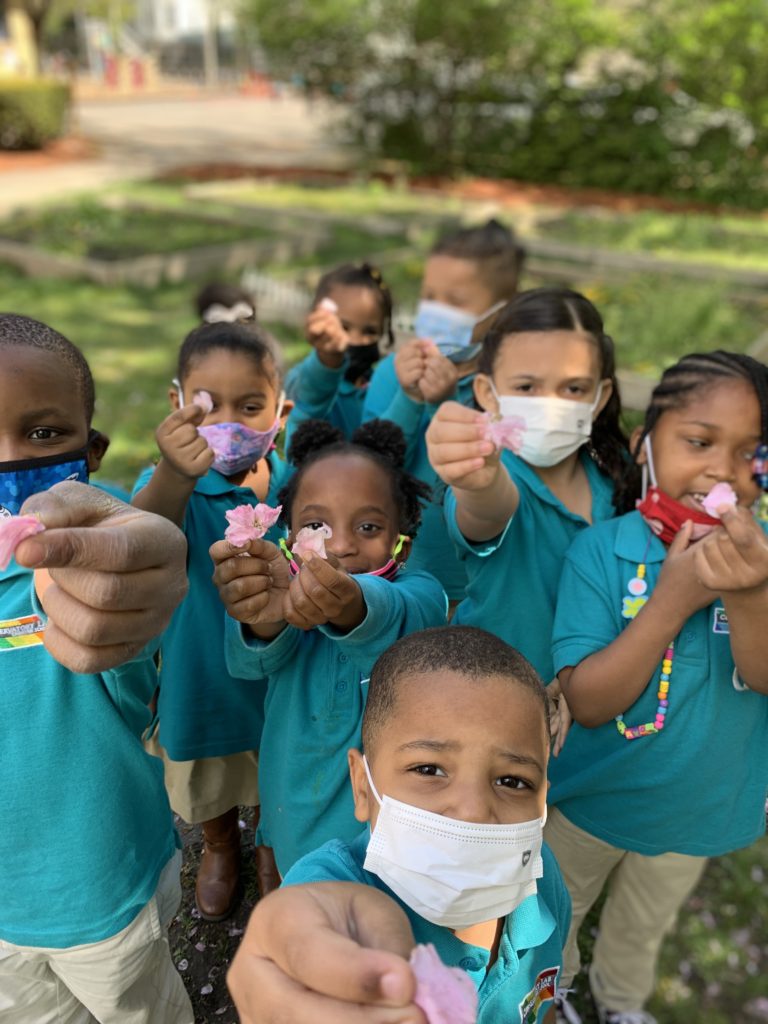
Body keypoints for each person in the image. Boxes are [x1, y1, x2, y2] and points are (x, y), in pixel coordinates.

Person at [545, 351, 768, 1024]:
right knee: (555, 914)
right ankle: (547, 993)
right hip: (591, 806)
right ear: (646, 443)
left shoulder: (762, 556)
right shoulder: (599, 552)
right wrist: (672, 600)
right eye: (698, 442)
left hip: (698, 810)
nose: (722, 472)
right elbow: (586, 700)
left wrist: (752, 592)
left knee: (645, 923)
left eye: (751, 456)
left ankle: (621, 1002)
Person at [227, 626, 570, 1024]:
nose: (474, 810)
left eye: (512, 781)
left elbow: (543, 999)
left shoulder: (544, 882)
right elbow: (299, 925)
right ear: (362, 787)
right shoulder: (336, 889)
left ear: (542, 799)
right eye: (429, 769)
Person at [0, 312, 192, 1023]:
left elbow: (135, 589)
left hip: (107, 899)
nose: (10, 458)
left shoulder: (84, 570)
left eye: (43, 434)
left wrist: (146, 573)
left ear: (93, 451)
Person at [211, 419, 448, 877]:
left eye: (368, 526)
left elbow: (401, 616)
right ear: (288, 537)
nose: (339, 544)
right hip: (291, 799)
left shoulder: (423, 591)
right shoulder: (279, 589)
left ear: (404, 539)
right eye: (316, 525)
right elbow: (246, 662)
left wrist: (351, 604)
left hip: (384, 829)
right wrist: (261, 613)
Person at [132, 321, 293, 916]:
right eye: (207, 405)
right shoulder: (166, 485)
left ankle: (271, 848)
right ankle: (222, 845)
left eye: (250, 406)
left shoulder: (295, 489)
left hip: (279, 683)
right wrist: (176, 472)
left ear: (281, 410)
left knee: (279, 768)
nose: (228, 422)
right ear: (177, 404)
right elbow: (148, 533)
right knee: (209, 785)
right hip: (200, 683)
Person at [426, 287, 627, 685]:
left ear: (599, 397)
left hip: (601, 714)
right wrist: (476, 483)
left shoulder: (616, 478)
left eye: (573, 389)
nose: (550, 403)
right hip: (496, 709)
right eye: (526, 387)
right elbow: (487, 507)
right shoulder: (497, 473)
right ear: (487, 393)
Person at [363, 219, 526, 600]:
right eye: (429, 296)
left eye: (454, 302)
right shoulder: (392, 372)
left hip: (474, 586)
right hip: (397, 581)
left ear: (501, 310)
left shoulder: (508, 385)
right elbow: (369, 465)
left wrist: (447, 403)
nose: (437, 312)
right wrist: (410, 396)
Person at [285, 262, 394, 440]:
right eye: (343, 327)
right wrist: (329, 358)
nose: (355, 340)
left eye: (369, 332)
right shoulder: (303, 379)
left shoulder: (382, 386)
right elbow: (312, 397)